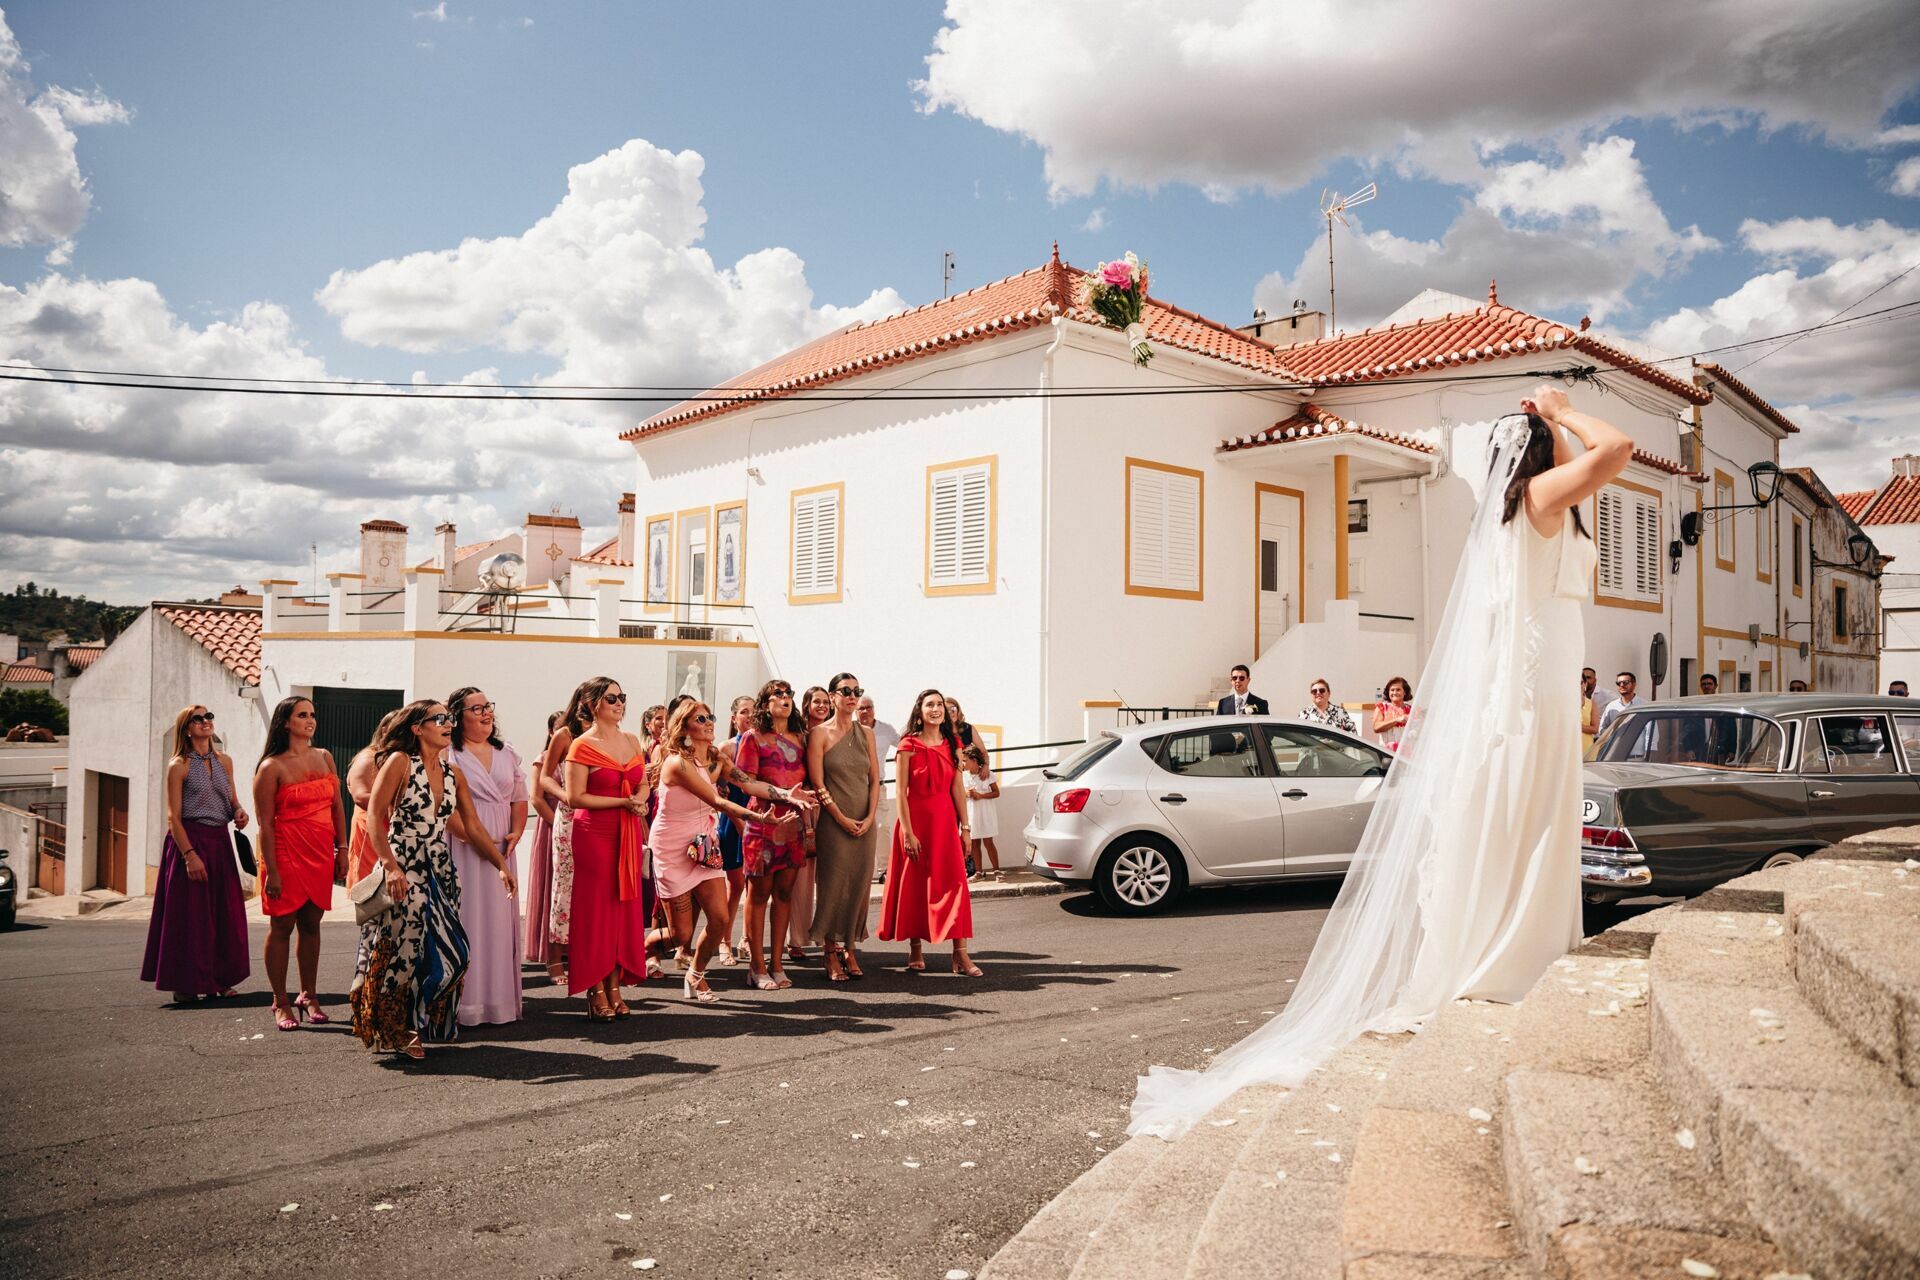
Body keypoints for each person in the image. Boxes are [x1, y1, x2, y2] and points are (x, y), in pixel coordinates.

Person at [1131, 386, 1628, 1140]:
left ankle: (1516, 946)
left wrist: (1549, 424)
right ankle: (1509, 956)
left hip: (1549, 688)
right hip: (1535, 693)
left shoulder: (1541, 507)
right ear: (1535, 456)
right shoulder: (1538, 500)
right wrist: (1560, 411)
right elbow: (1615, 449)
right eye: (1549, 440)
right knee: (1528, 815)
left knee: (1533, 818)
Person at [352, 700, 510, 1058]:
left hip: (440, 867)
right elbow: (375, 815)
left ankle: (417, 1018)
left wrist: (500, 863)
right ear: (417, 728)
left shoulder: (453, 773)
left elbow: (472, 825)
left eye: (449, 718)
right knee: (404, 949)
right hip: (404, 863)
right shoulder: (400, 762)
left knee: (455, 951)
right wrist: (390, 867)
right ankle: (398, 1027)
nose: (447, 723)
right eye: (439, 719)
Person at [652, 699, 797, 1003]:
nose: (708, 723)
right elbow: (717, 801)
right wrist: (759, 817)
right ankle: (632, 955)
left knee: (719, 919)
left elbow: (750, 784)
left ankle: (696, 975)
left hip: (703, 846)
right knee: (680, 935)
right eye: (700, 719)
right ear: (684, 728)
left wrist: (787, 794)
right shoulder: (677, 763)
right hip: (672, 847)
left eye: (710, 717)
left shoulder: (715, 758)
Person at [141, 705, 251, 1004]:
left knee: (223, 913)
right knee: (190, 918)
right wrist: (189, 855)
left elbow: (232, 800)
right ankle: (186, 983)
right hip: (190, 841)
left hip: (220, 842)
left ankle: (220, 979)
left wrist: (239, 812)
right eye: (198, 719)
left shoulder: (224, 761)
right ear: (187, 729)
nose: (206, 722)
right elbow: (173, 817)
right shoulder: (178, 765)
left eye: (209, 716)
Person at [253, 696, 348, 1032]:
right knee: (281, 926)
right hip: (285, 852)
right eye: (302, 715)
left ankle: (309, 995)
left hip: (320, 852)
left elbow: (337, 807)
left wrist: (342, 849)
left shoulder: (324, 757)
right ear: (285, 722)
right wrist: (272, 871)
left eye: (312, 714)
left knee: (312, 924)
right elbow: (265, 824)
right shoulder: (271, 767)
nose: (310, 720)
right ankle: (280, 1001)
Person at [565, 677, 653, 1021]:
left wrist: (639, 800)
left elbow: (643, 784)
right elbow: (575, 797)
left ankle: (615, 986)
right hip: (594, 833)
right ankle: (596, 987)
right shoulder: (581, 745)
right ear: (592, 705)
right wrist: (623, 802)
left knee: (623, 909)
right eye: (612, 698)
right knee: (597, 912)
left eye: (622, 697)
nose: (620, 703)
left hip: (626, 830)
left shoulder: (631, 740)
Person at [879, 689, 981, 977]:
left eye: (939, 705)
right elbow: (900, 792)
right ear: (920, 711)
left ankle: (960, 954)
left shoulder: (953, 744)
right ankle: (915, 948)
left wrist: (966, 828)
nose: (936, 709)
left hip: (945, 825)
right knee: (915, 885)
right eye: (930, 705)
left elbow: (957, 787)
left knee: (955, 885)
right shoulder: (907, 745)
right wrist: (907, 832)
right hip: (915, 824)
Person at [447, 687, 529, 1027]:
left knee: (498, 923)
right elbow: (446, 808)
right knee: (467, 918)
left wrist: (516, 831)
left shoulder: (506, 753)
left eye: (488, 706)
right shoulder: (450, 754)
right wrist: (477, 840)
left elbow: (520, 797)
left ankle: (498, 1002)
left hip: (502, 845)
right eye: (477, 708)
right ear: (458, 717)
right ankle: (465, 1004)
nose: (486, 713)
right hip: (465, 844)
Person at [737, 680, 817, 990]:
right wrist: (783, 794)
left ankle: (777, 964)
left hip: (793, 825)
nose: (785, 698)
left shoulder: (800, 737)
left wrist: (804, 795)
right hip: (763, 823)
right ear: (765, 703)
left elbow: (807, 779)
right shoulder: (753, 737)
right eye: (778, 694)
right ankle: (756, 966)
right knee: (758, 895)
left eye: (788, 694)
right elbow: (746, 783)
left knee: (784, 894)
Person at [808, 672, 883, 981]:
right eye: (846, 691)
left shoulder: (866, 733)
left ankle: (850, 948)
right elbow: (818, 783)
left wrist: (870, 817)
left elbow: (875, 779)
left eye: (857, 691)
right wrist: (839, 817)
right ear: (832, 696)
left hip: (865, 821)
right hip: (834, 822)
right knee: (833, 885)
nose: (852, 696)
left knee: (859, 887)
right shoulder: (819, 734)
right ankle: (830, 952)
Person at [525, 709, 570, 984]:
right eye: (560, 728)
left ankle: (570, 951)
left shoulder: (578, 756)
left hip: (575, 828)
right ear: (551, 732)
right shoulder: (542, 759)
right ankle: (551, 958)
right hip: (552, 826)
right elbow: (536, 798)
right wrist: (559, 826)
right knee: (552, 889)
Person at [713, 694, 757, 966]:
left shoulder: (763, 744)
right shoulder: (727, 748)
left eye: (753, 711)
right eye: (744, 711)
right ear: (734, 717)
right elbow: (719, 792)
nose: (750, 716)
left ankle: (747, 939)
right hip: (733, 821)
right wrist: (738, 822)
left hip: (757, 819)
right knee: (736, 885)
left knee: (756, 887)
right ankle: (724, 941)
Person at [962, 745, 1003, 879]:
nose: (963, 763)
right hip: (971, 814)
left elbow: (996, 793)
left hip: (986, 814)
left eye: (965, 760)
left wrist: (981, 796)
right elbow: (959, 793)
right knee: (974, 843)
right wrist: (966, 794)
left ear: (974, 760)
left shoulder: (987, 774)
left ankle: (997, 870)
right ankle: (979, 872)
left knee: (988, 842)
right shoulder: (963, 776)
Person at [1370, 677, 1413, 752]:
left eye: (1398, 690)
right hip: (1387, 754)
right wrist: (1396, 720)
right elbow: (1376, 727)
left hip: (1407, 754)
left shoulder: (1412, 709)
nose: (1394, 693)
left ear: (1405, 692)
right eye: (1392, 690)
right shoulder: (1382, 707)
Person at [858, 695, 900, 764]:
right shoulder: (849, 729)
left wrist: (900, 755)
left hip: (879, 771)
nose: (865, 711)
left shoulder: (886, 729)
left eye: (868, 707)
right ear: (855, 711)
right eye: (861, 708)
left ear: (874, 709)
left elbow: (904, 744)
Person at [1579, 669, 1600, 760]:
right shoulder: (1565, 704)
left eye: (1580, 682)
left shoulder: (1591, 704)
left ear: (1585, 684)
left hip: (1586, 749)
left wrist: (1577, 726)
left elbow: (1595, 729)